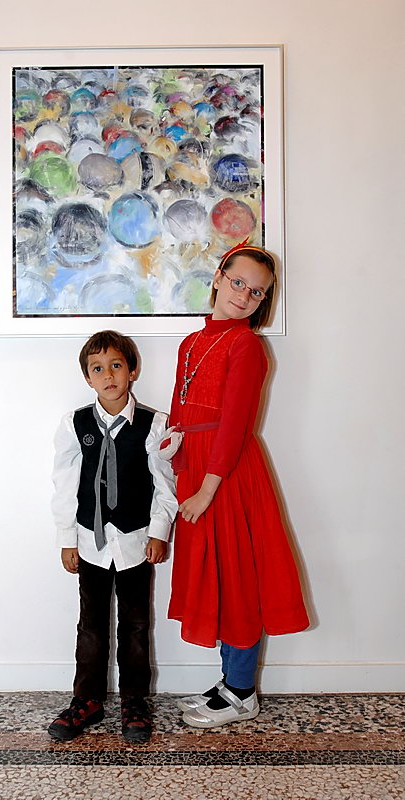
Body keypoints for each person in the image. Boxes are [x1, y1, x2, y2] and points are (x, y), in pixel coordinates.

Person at [166, 241, 309, 728]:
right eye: (238, 282)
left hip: (227, 476)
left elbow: (235, 426)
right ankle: (230, 680)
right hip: (197, 470)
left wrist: (207, 489)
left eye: (257, 291)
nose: (245, 295)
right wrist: (174, 457)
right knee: (216, 578)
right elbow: (181, 410)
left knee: (238, 580)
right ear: (218, 278)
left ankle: (243, 691)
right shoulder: (191, 343)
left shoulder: (247, 345)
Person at [48, 330, 177, 744]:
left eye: (116, 366)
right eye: (98, 368)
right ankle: (87, 700)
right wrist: (67, 538)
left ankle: (134, 702)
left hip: (136, 542)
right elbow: (65, 485)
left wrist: (158, 532)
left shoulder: (154, 425)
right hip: (91, 542)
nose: (108, 376)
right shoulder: (75, 424)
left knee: (136, 626)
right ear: (88, 378)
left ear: (132, 371)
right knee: (91, 626)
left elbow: (165, 485)